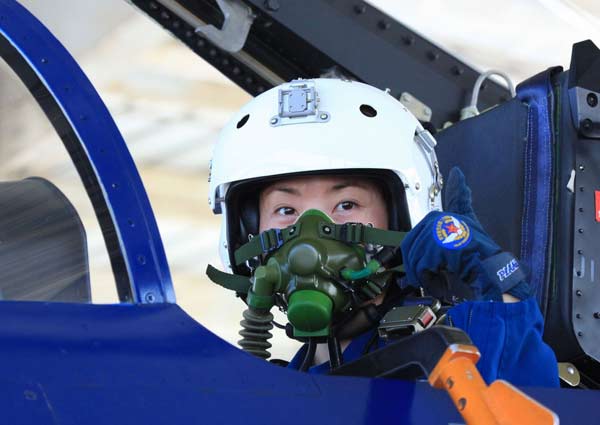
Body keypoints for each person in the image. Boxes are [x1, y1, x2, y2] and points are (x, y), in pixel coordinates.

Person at [207, 78, 558, 387]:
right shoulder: (272, 389)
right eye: (286, 211)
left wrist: (493, 271)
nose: (309, 242)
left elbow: (531, 394)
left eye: (346, 205)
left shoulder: (453, 340)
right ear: (247, 232)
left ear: (401, 217)